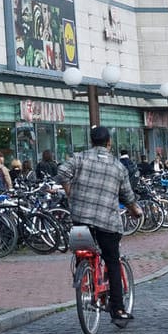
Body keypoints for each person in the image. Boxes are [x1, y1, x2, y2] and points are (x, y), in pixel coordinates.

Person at [58, 125, 139, 323]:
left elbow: (61, 172)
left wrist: (70, 192)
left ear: (91, 141)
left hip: (80, 218)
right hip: (107, 221)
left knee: (82, 251)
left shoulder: (79, 158)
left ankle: (84, 277)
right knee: (112, 260)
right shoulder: (117, 166)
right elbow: (127, 195)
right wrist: (134, 209)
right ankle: (118, 310)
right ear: (109, 142)